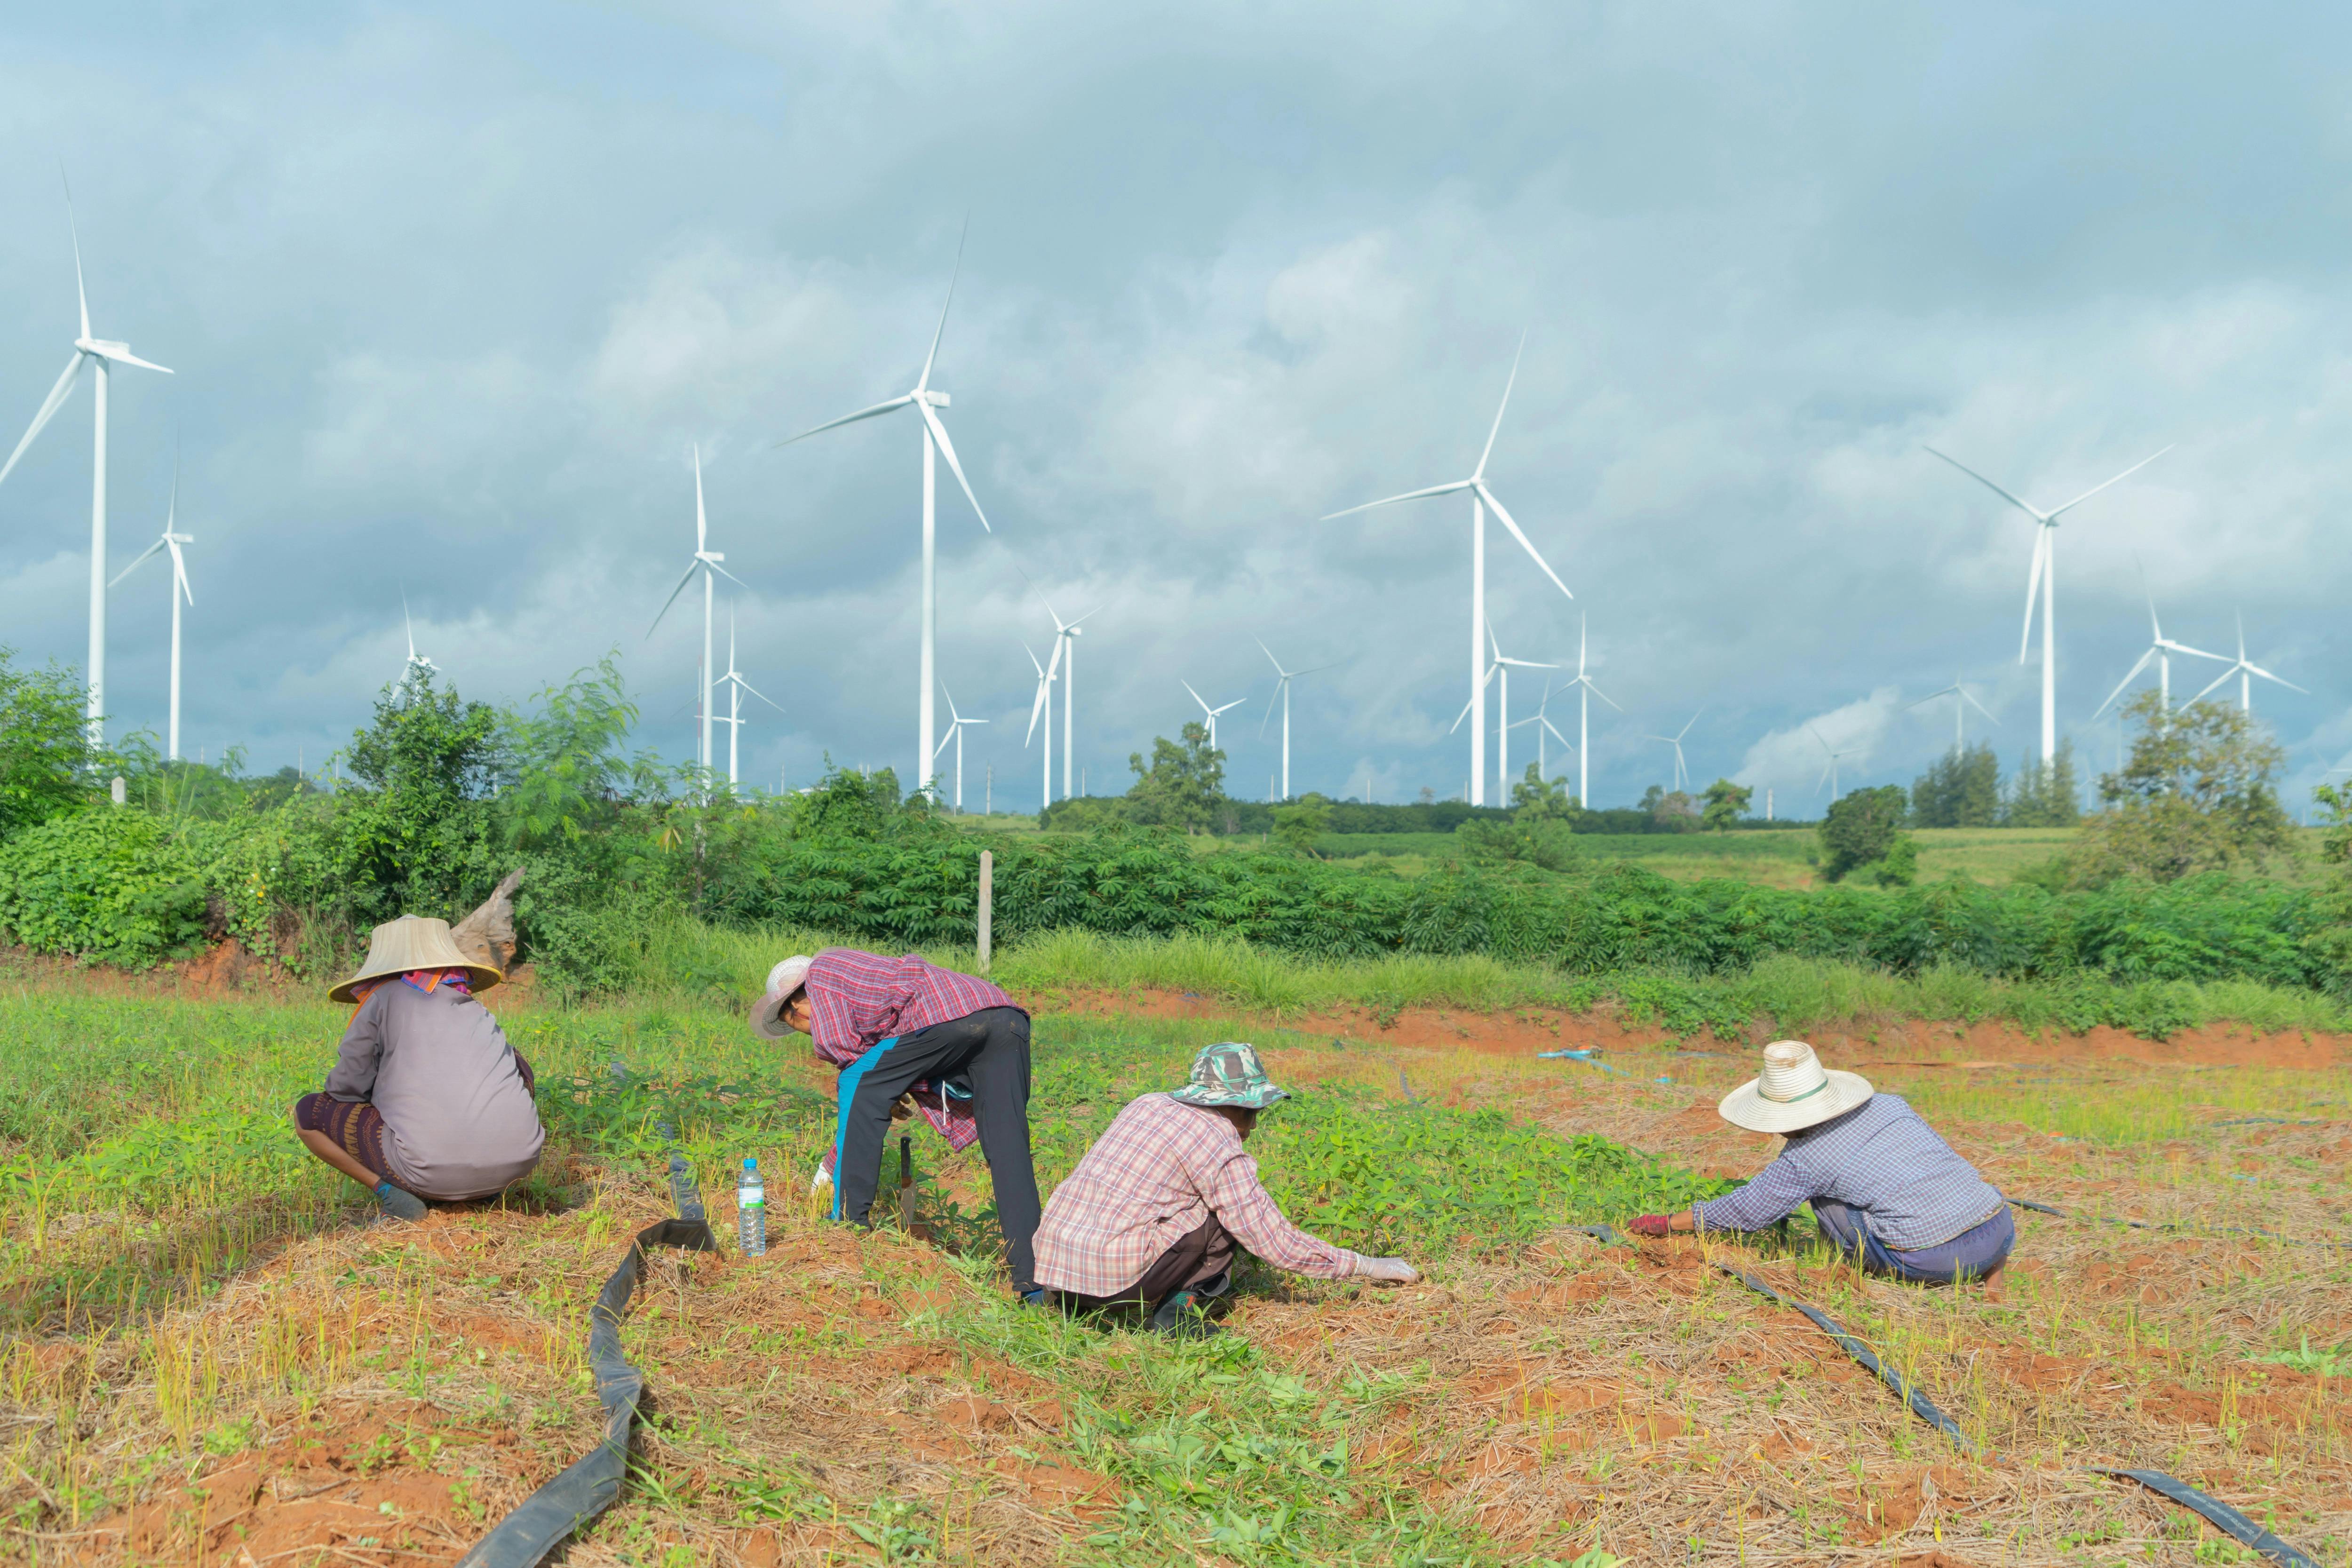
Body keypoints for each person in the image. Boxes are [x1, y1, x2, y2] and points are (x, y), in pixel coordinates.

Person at [1032, 1042, 1418, 1337]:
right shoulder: (1216, 1142)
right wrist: (1369, 1265)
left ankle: (1073, 1304)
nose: (1251, 1126)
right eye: (1251, 1112)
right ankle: (1182, 1308)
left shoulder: (1146, 1103)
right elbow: (1275, 1242)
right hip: (1115, 1282)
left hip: (1054, 1266)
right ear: (1234, 1105)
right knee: (1226, 1215)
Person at [752, 949, 1043, 1298]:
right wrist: (885, 1090)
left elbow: (855, 1074)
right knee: (1007, 1148)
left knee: (857, 1081)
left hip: (946, 1016)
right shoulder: (858, 984)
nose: (808, 1034)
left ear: (795, 1008)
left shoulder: (821, 974)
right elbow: (882, 1067)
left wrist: (830, 1165)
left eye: (796, 1027)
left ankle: (848, 1225)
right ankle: (1034, 1284)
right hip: (1006, 1018)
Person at [1627, 1039, 2013, 1285]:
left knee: (1826, 1199)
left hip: (1934, 1259)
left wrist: (1669, 1223)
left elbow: (1748, 1211)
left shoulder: (1807, 1159)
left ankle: (1848, 1271)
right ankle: (1992, 1276)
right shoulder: (1891, 1104)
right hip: (1999, 1225)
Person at [293, 915, 546, 1222]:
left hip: (429, 1168)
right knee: (515, 1061)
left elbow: (344, 1090)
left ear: (384, 966)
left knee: (308, 1114)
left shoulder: (383, 997)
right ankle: (487, 1188)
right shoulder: (471, 1003)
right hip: (519, 1161)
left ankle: (393, 1195)